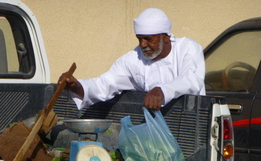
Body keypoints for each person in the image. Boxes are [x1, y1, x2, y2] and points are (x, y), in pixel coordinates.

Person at [61, 8, 206, 111]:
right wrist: (77, 86)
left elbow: (191, 80)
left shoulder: (188, 48)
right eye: (139, 39)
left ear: (166, 37)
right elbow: (107, 82)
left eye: (149, 39)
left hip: (191, 124)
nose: (143, 45)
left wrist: (162, 91)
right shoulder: (133, 59)